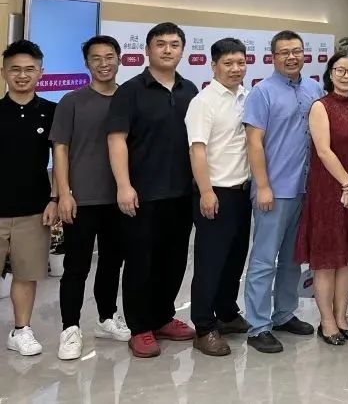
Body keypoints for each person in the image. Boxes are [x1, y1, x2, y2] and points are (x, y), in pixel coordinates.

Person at [106, 22, 198, 358]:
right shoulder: (130, 91)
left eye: (174, 44)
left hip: (181, 193)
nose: (167, 50)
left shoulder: (190, 90)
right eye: (160, 44)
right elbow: (116, 140)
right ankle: (140, 327)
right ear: (147, 50)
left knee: (173, 261)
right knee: (140, 263)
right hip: (141, 194)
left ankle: (162, 317)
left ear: (182, 50)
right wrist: (124, 185)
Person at [51, 35, 129, 360]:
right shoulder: (72, 101)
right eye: (96, 58)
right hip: (81, 200)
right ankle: (70, 328)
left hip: (119, 199)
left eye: (109, 57)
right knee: (76, 267)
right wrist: (63, 194)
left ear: (119, 59)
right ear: (86, 64)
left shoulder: (129, 98)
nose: (103, 64)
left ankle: (106, 318)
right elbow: (60, 148)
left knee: (112, 263)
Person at [243, 30, 321, 353]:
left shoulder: (314, 89)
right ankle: (258, 326)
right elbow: (254, 142)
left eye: (297, 51)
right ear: (273, 57)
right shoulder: (261, 93)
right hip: (273, 191)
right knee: (264, 260)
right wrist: (262, 186)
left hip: (305, 189)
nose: (291, 57)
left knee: (292, 259)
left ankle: (284, 314)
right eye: (284, 52)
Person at [296, 51, 348, 347]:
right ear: (330, 74)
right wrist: (347, 184)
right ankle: (327, 322)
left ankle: (342, 318)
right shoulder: (321, 106)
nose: (346, 76)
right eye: (340, 70)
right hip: (329, 191)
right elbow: (323, 150)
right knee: (327, 259)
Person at [185, 38, 253, 357]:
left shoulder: (246, 96)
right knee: (210, 263)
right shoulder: (204, 102)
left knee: (234, 259)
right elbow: (197, 150)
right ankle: (203, 327)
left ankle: (226, 313)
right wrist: (206, 191)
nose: (235, 69)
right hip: (216, 193)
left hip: (243, 192)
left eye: (240, 62)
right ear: (214, 66)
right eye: (228, 63)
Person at [1, 40, 58, 356]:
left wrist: (55, 199)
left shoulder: (52, 112)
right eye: (15, 69)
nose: (22, 75)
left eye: (29, 69)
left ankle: (21, 330)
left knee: (26, 274)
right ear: (4, 73)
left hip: (34, 210)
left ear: (40, 73)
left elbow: (61, 160)